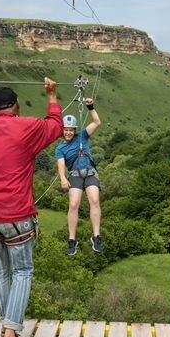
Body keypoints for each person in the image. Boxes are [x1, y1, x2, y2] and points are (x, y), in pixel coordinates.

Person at [0, 78, 62, 337]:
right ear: (16, 106)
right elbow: (56, 126)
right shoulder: (26, 127)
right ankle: (11, 334)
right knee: (23, 271)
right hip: (16, 214)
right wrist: (51, 96)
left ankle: (5, 326)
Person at [56, 97, 102, 256]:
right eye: (66, 129)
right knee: (74, 204)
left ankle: (96, 236)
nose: (68, 132)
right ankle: (72, 239)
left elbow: (96, 122)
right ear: (62, 130)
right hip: (75, 175)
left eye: (71, 129)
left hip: (89, 172)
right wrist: (62, 178)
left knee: (94, 200)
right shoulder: (60, 148)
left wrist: (90, 107)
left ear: (74, 130)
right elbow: (61, 164)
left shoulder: (82, 136)